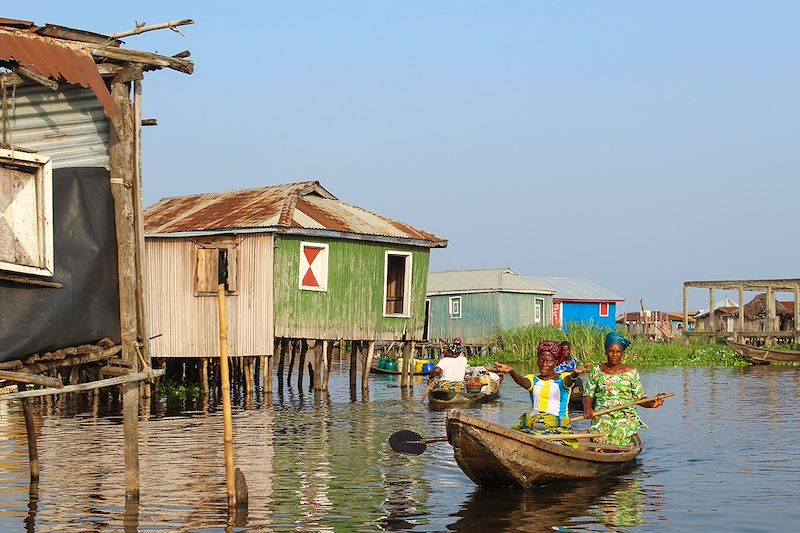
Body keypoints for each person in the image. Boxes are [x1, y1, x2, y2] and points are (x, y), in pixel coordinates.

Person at [582, 331, 664, 446]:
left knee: (618, 434)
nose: (614, 354)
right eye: (611, 351)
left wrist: (652, 402)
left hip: (625, 416)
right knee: (600, 435)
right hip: (602, 415)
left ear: (622, 353)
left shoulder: (631, 373)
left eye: (618, 352)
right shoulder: (597, 371)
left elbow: (640, 398)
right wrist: (587, 408)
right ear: (606, 352)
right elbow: (588, 395)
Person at [494, 340, 587, 431]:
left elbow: (569, 380)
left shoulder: (563, 378)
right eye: (541, 360)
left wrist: (575, 374)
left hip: (557, 424)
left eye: (549, 361)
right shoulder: (533, 379)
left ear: (556, 362)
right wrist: (511, 371)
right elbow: (523, 382)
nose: (544, 364)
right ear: (537, 361)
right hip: (535, 421)